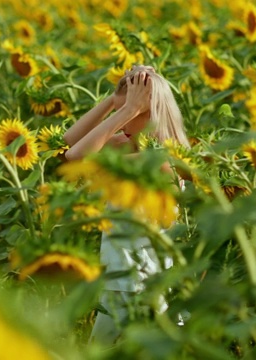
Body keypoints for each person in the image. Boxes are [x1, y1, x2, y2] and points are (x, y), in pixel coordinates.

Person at [62, 65, 189, 344]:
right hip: (120, 279)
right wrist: (115, 100)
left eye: (130, 115)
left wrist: (127, 108)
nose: (120, 124)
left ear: (149, 113)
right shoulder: (127, 145)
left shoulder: (162, 162)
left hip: (146, 283)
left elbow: (78, 158)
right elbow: (70, 142)